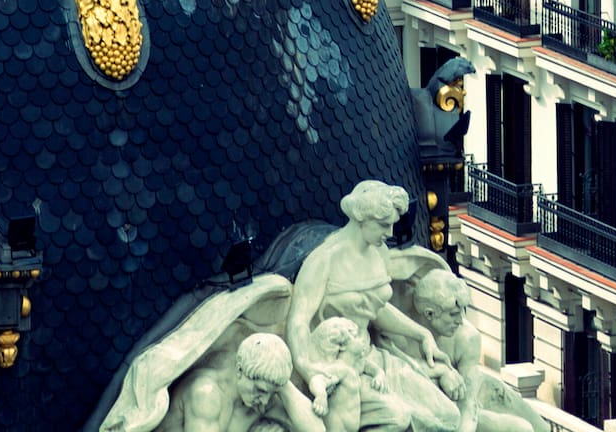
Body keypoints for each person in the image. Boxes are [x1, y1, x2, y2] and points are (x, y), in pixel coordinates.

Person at [286, 182, 457, 432]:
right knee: (400, 419)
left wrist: (422, 334)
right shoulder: (325, 261)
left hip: (373, 357)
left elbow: (375, 308)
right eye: (384, 225)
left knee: (448, 416)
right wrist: (309, 369)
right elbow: (298, 322)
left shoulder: (379, 254)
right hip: (341, 367)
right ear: (362, 219)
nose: (389, 232)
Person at [412, 275, 543, 432]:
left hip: (480, 394)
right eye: (453, 314)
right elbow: (398, 369)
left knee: (534, 427)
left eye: (463, 311)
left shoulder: (467, 337)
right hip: (441, 405)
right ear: (429, 314)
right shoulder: (405, 334)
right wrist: (442, 371)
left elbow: (468, 405)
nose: (460, 320)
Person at [170, 332, 317, 432]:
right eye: (261, 390)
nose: (265, 401)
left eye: (270, 392)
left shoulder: (257, 400)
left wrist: (283, 386)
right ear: (240, 370)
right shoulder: (206, 394)